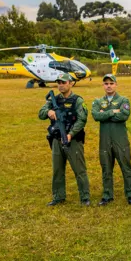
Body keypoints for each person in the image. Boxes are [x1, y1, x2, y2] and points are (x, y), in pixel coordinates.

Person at [39, 73, 91, 206]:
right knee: (57, 170)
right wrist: (48, 112)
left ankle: (85, 197)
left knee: (79, 169)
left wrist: (71, 134)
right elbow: (41, 113)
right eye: (59, 83)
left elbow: (82, 120)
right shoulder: (53, 100)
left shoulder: (77, 100)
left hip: (73, 140)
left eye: (64, 82)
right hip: (57, 139)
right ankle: (58, 196)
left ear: (71, 83)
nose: (61, 85)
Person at [91, 74, 131, 206]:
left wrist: (104, 113)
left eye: (111, 83)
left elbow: (124, 116)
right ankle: (107, 195)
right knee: (106, 167)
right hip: (105, 140)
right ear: (103, 86)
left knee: (126, 166)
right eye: (106, 83)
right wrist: (113, 112)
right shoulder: (98, 101)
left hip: (120, 139)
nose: (109, 86)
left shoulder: (123, 100)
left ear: (116, 85)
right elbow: (96, 115)